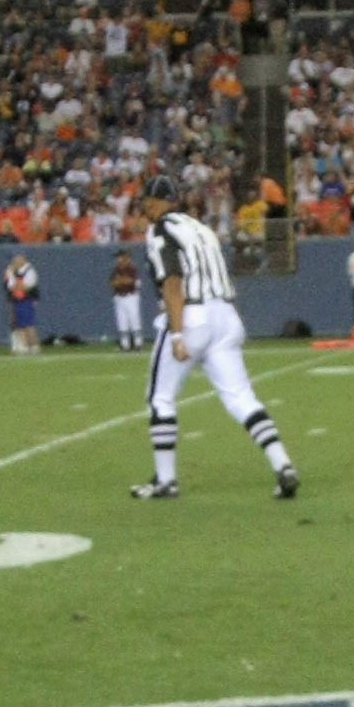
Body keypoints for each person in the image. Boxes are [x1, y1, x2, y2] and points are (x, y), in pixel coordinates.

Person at [130, 193, 296, 502]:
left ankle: (166, 481)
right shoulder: (201, 228)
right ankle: (282, 463)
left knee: (160, 398)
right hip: (226, 315)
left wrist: (178, 335)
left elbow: (172, 282)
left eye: (147, 202)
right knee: (242, 398)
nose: (145, 209)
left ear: (157, 202)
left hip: (193, 315)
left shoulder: (160, 230)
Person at [110, 249, 146, 350]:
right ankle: (124, 344)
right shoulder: (116, 270)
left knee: (134, 320)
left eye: (120, 257)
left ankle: (138, 343)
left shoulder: (132, 269)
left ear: (127, 257)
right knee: (122, 321)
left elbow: (131, 281)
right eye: (118, 257)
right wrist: (122, 281)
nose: (118, 259)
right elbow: (112, 283)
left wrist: (121, 281)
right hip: (119, 297)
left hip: (131, 297)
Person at [7, 252, 42, 354]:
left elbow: (25, 287)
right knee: (20, 325)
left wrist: (14, 278)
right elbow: (11, 287)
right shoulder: (13, 272)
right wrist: (14, 278)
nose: (14, 262)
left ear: (22, 259)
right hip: (17, 301)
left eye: (16, 260)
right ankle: (26, 346)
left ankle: (35, 346)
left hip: (26, 301)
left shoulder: (30, 271)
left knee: (29, 325)